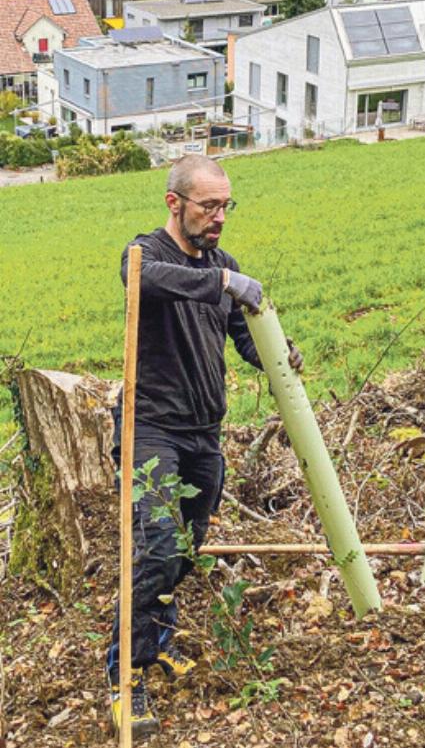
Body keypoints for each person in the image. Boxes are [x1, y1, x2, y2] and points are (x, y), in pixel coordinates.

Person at [106, 155, 303, 737]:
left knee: (187, 547)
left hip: (203, 433)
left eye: (225, 207)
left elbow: (244, 337)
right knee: (157, 545)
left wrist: (279, 352)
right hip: (151, 430)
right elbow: (142, 280)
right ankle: (126, 676)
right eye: (208, 206)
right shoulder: (148, 254)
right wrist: (220, 281)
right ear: (175, 203)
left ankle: (158, 639)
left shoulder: (224, 264)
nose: (219, 218)